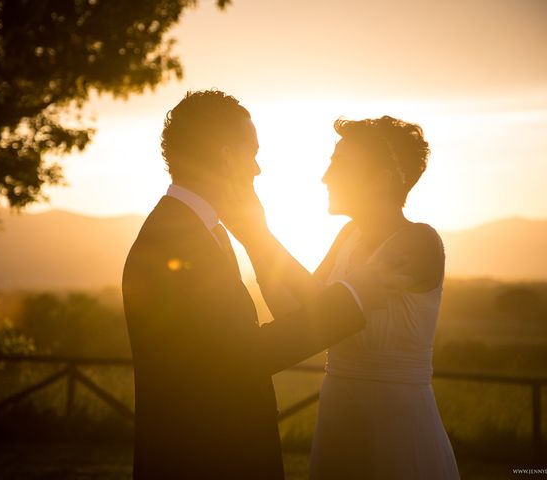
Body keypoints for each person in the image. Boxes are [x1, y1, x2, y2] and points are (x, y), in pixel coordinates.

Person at [122, 91, 398, 480]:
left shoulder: (194, 230)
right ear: (225, 157)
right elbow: (244, 356)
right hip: (205, 460)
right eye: (251, 153)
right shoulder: (175, 240)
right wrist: (352, 299)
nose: (257, 169)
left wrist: (257, 235)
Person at [218, 116, 460, 479]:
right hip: (340, 413)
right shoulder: (347, 236)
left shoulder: (419, 242)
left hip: (396, 419)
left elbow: (330, 306)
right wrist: (252, 240)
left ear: (381, 178)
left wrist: (260, 233)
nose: (326, 176)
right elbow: (299, 312)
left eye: (339, 164)